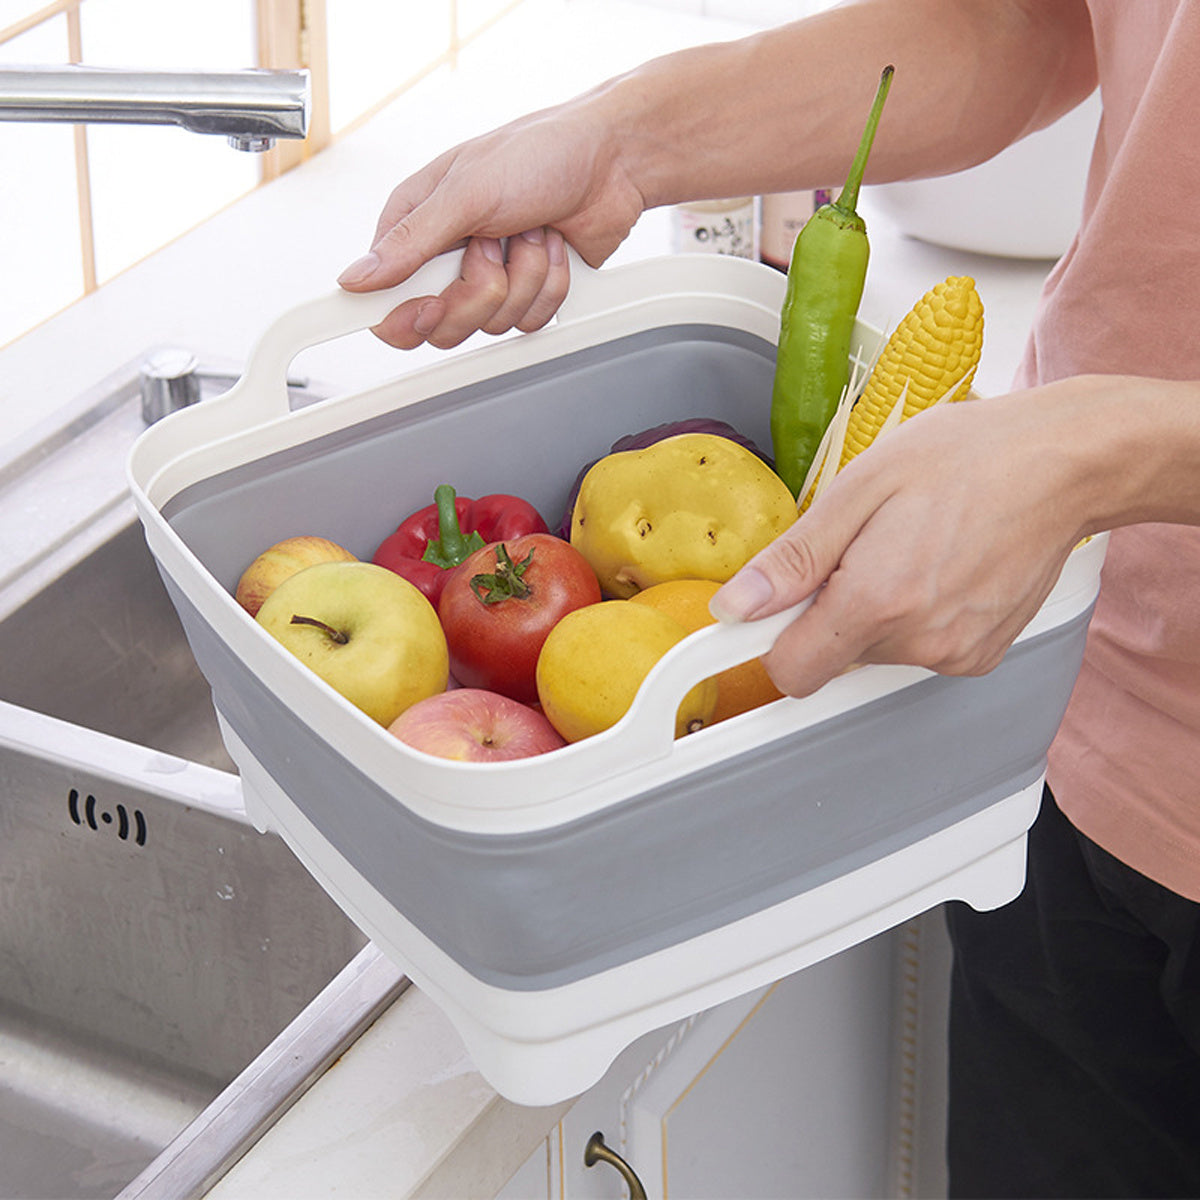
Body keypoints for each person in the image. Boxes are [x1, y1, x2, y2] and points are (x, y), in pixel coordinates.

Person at [339, 2, 1200, 1194]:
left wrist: (1100, 455)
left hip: (1052, 561)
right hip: (1054, 694)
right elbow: (1029, 23)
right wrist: (620, 142)